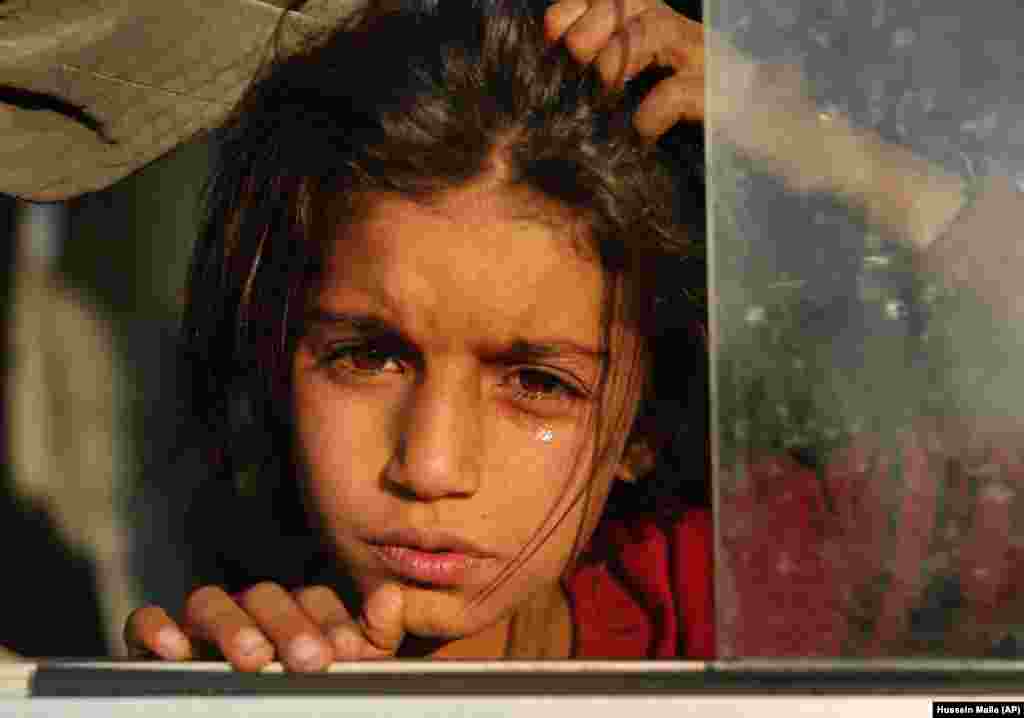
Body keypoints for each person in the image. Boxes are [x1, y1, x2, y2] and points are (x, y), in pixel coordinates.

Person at [125, 0, 713, 668]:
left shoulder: (749, 606)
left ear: (646, 424)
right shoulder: (249, 658)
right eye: (370, 357)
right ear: (272, 359)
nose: (430, 468)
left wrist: (808, 144)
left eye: (539, 383)